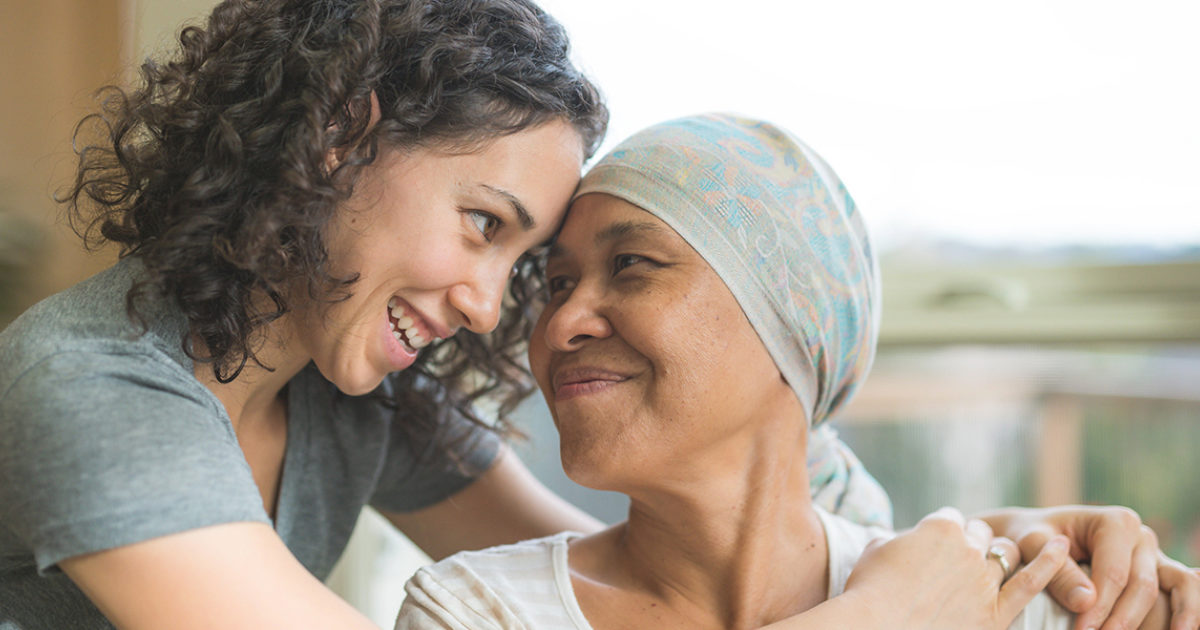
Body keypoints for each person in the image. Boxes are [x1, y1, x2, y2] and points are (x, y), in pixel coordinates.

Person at [0, 0, 1190, 627]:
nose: (487, 308)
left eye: (524, 263)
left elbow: (656, 562)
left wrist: (996, 553)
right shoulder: (93, 389)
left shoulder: (350, 388)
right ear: (339, 137)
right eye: (484, 223)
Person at [394, 114, 1200, 629]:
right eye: (558, 284)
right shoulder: (475, 611)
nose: (560, 321)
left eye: (633, 265)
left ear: (790, 324)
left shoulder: (1008, 598)